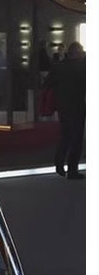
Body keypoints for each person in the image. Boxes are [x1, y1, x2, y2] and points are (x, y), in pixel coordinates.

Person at [45, 42, 86, 180]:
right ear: (77, 53)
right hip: (78, 106)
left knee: (65, 136)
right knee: (76, 139)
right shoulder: (82, 68)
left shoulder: (59, 66)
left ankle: (59, 163)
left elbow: (48, 83)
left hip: (63, 106)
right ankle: (72, 170)